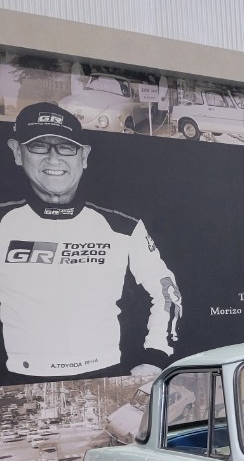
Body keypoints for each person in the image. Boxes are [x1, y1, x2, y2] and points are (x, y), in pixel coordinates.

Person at [2, 101, 181, 381]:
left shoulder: (123, 226)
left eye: (66, 147)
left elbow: (166, 290)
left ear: (83, 156)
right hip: (17, 378)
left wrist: (155, 357)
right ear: (17, 152)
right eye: (39, 146)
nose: (53, 158)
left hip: (104, 374)